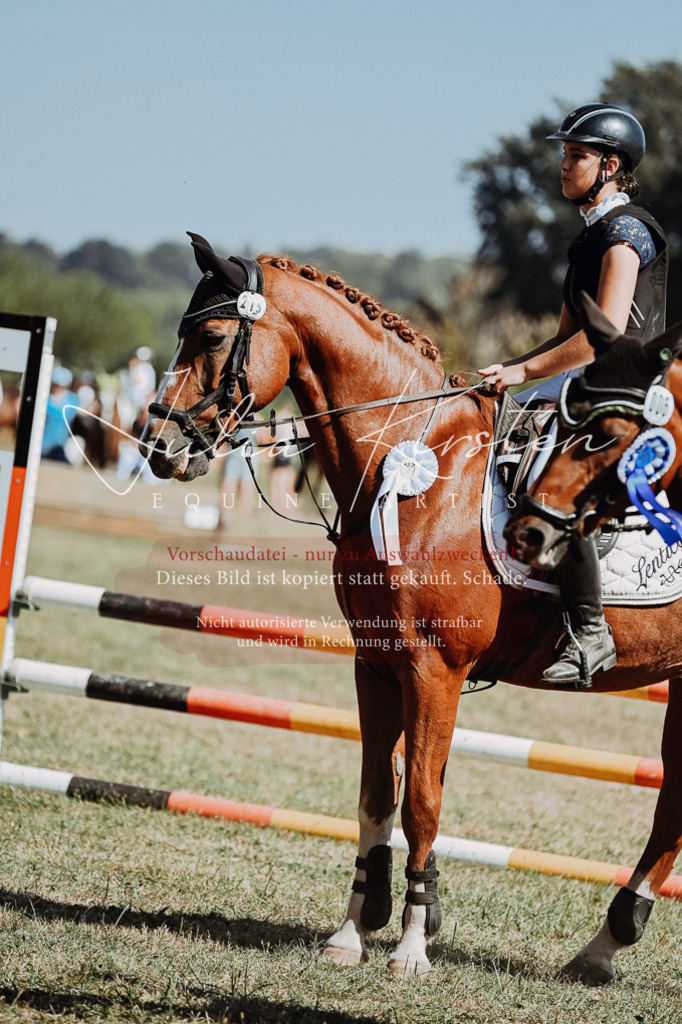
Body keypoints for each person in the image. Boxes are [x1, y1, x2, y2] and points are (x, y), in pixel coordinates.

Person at [479, 103, 668, 687]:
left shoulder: (626, 231)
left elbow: (602, 334)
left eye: (576, 155)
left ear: (609, 165)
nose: (563, 165)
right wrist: (505, 371)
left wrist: (525, 372)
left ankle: (590, 633)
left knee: (564, 477)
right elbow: (565, 337)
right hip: (591, 379)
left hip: (629, 388)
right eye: (564, 154)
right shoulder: (587, 240)